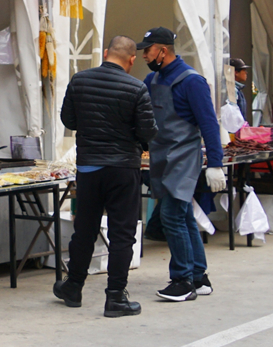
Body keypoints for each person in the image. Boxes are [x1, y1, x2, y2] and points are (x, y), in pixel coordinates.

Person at [54, 35, 154, 317]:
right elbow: (148, 132)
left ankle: (73, 287)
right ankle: (115, 298)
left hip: (89, 167)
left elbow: (68, 120)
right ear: (132, 60)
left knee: (84, 229)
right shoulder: (137, 88)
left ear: (107, 52)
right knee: (122, 234)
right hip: (123, 168)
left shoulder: (80, 81)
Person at [139, 27, 224, 303]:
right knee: (184, 217)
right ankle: (199, 277)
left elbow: (209, 124)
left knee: (172, 217)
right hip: (161, 156)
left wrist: (216, 163)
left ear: (162, 50)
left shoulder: (192, 81)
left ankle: (182, 280)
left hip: (185, 157)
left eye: (148, 50)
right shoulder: (151, 80)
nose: (144, 55)